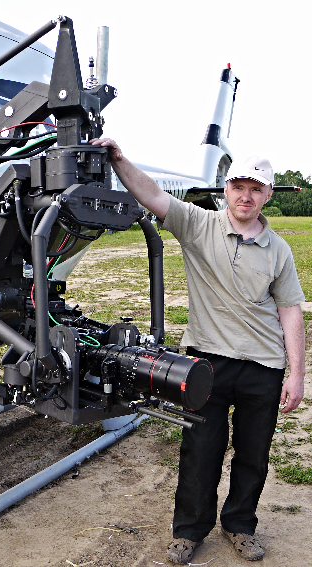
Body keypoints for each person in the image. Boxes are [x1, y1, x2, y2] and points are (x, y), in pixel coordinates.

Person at [90, 138, 306, 563]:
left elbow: (291, 312)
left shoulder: (278, 250)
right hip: (206, 363)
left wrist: (296, 374)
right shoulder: (197, 224)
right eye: (238, 186)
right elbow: (151, 194)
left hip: (263, 367)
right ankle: (189, 531)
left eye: (256, 189)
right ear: (225, 189)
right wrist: (118, 160)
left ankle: (240, 525)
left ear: (268, 194)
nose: (246, 196)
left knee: (253, 454)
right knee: (200, 450)